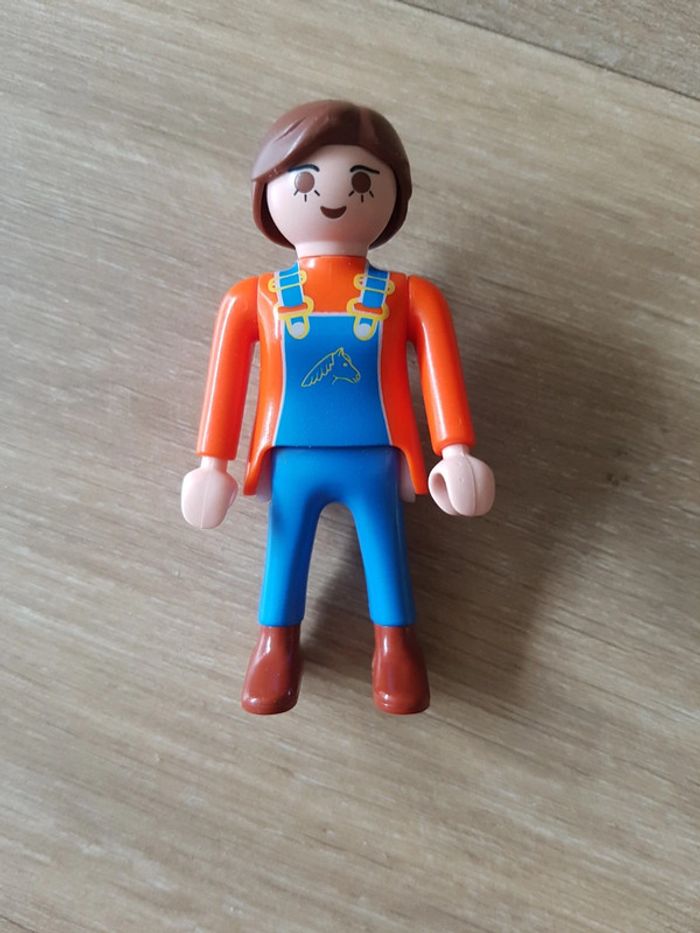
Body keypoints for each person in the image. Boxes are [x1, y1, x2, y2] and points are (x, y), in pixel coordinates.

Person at [181, 100, 495, 715]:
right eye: (304, 182)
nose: (333, 197)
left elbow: (442, 374)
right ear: (269, 192)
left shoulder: (410, 295)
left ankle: (396, 645)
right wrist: (211, 463)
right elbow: (226, 382)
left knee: (386, 549)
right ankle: (274, 644)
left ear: (392, 197)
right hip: (289, 454)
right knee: (285, 547)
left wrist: (456, 450)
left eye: (363, 183)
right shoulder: (253, 297)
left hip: (377, 453)